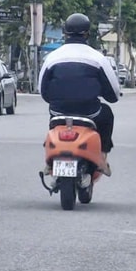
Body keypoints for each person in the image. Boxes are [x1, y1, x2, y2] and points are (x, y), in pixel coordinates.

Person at [39, 13, 120, 177]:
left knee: (54, 121)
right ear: (87, 34)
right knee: (107, 114)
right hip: (90, 112)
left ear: (65, 33)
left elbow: (43, 90)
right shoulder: (98, 58)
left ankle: (49, 161)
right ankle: (102, 157)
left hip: (59, 111)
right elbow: (114, 94)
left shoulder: (52, 58)